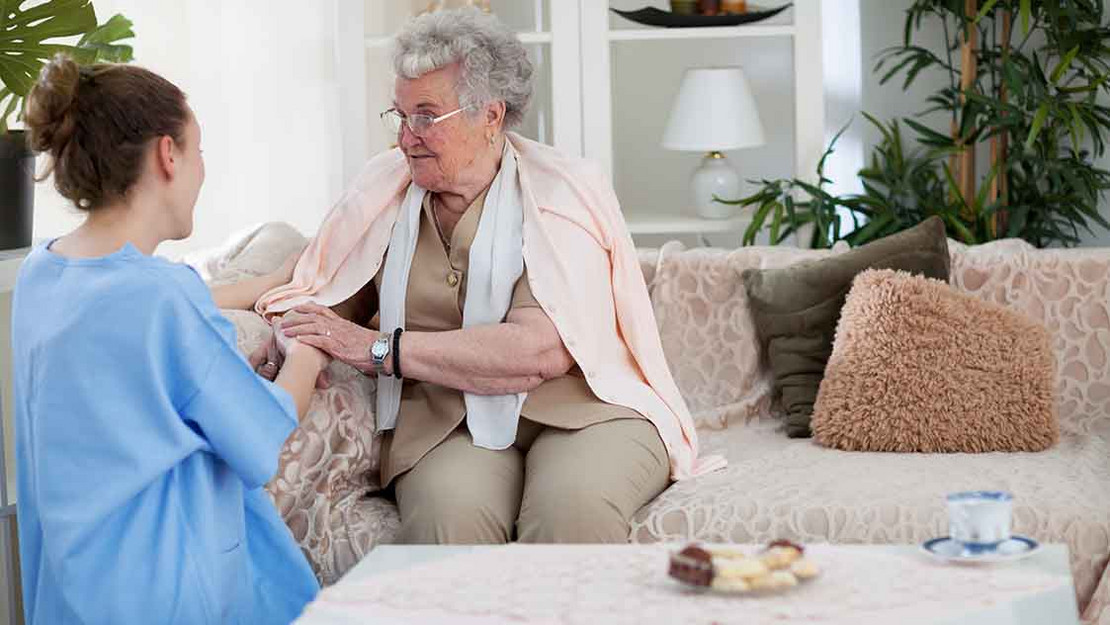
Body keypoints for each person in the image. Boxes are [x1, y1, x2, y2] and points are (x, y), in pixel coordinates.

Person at [252, 8, 724, 545]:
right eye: (400, 116)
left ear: (491, 116)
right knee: (448, 524)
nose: (407, 138)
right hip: (446, 418)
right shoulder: (386, 188)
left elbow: (536, 352)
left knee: (570, 513)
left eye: (427, 116)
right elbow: (325, 283)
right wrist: (296, 337)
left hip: (586, 408)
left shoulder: (560, 195)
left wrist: (381, 350)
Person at [11, 55, 323, 624]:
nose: (203, 169)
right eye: (198, 150)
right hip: (164, 600)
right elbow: (263, 437)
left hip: (68, 595)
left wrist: (263, 285)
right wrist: (310, 351)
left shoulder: (43, 272)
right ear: (167, 154)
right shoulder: (163, 300)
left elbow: (127, 318)